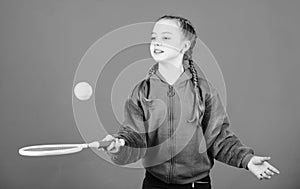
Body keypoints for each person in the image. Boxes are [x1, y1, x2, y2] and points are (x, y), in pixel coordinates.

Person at [100, 15, 280, 189]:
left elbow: (218, 138)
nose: (156, 42)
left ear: (185, 45)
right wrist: (119, 146)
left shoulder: (204, 91)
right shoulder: (141, 91)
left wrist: (246, 160)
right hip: (154, 183)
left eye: (166, 37)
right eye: (154, 37)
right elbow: (135, 138)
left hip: (197, 185)